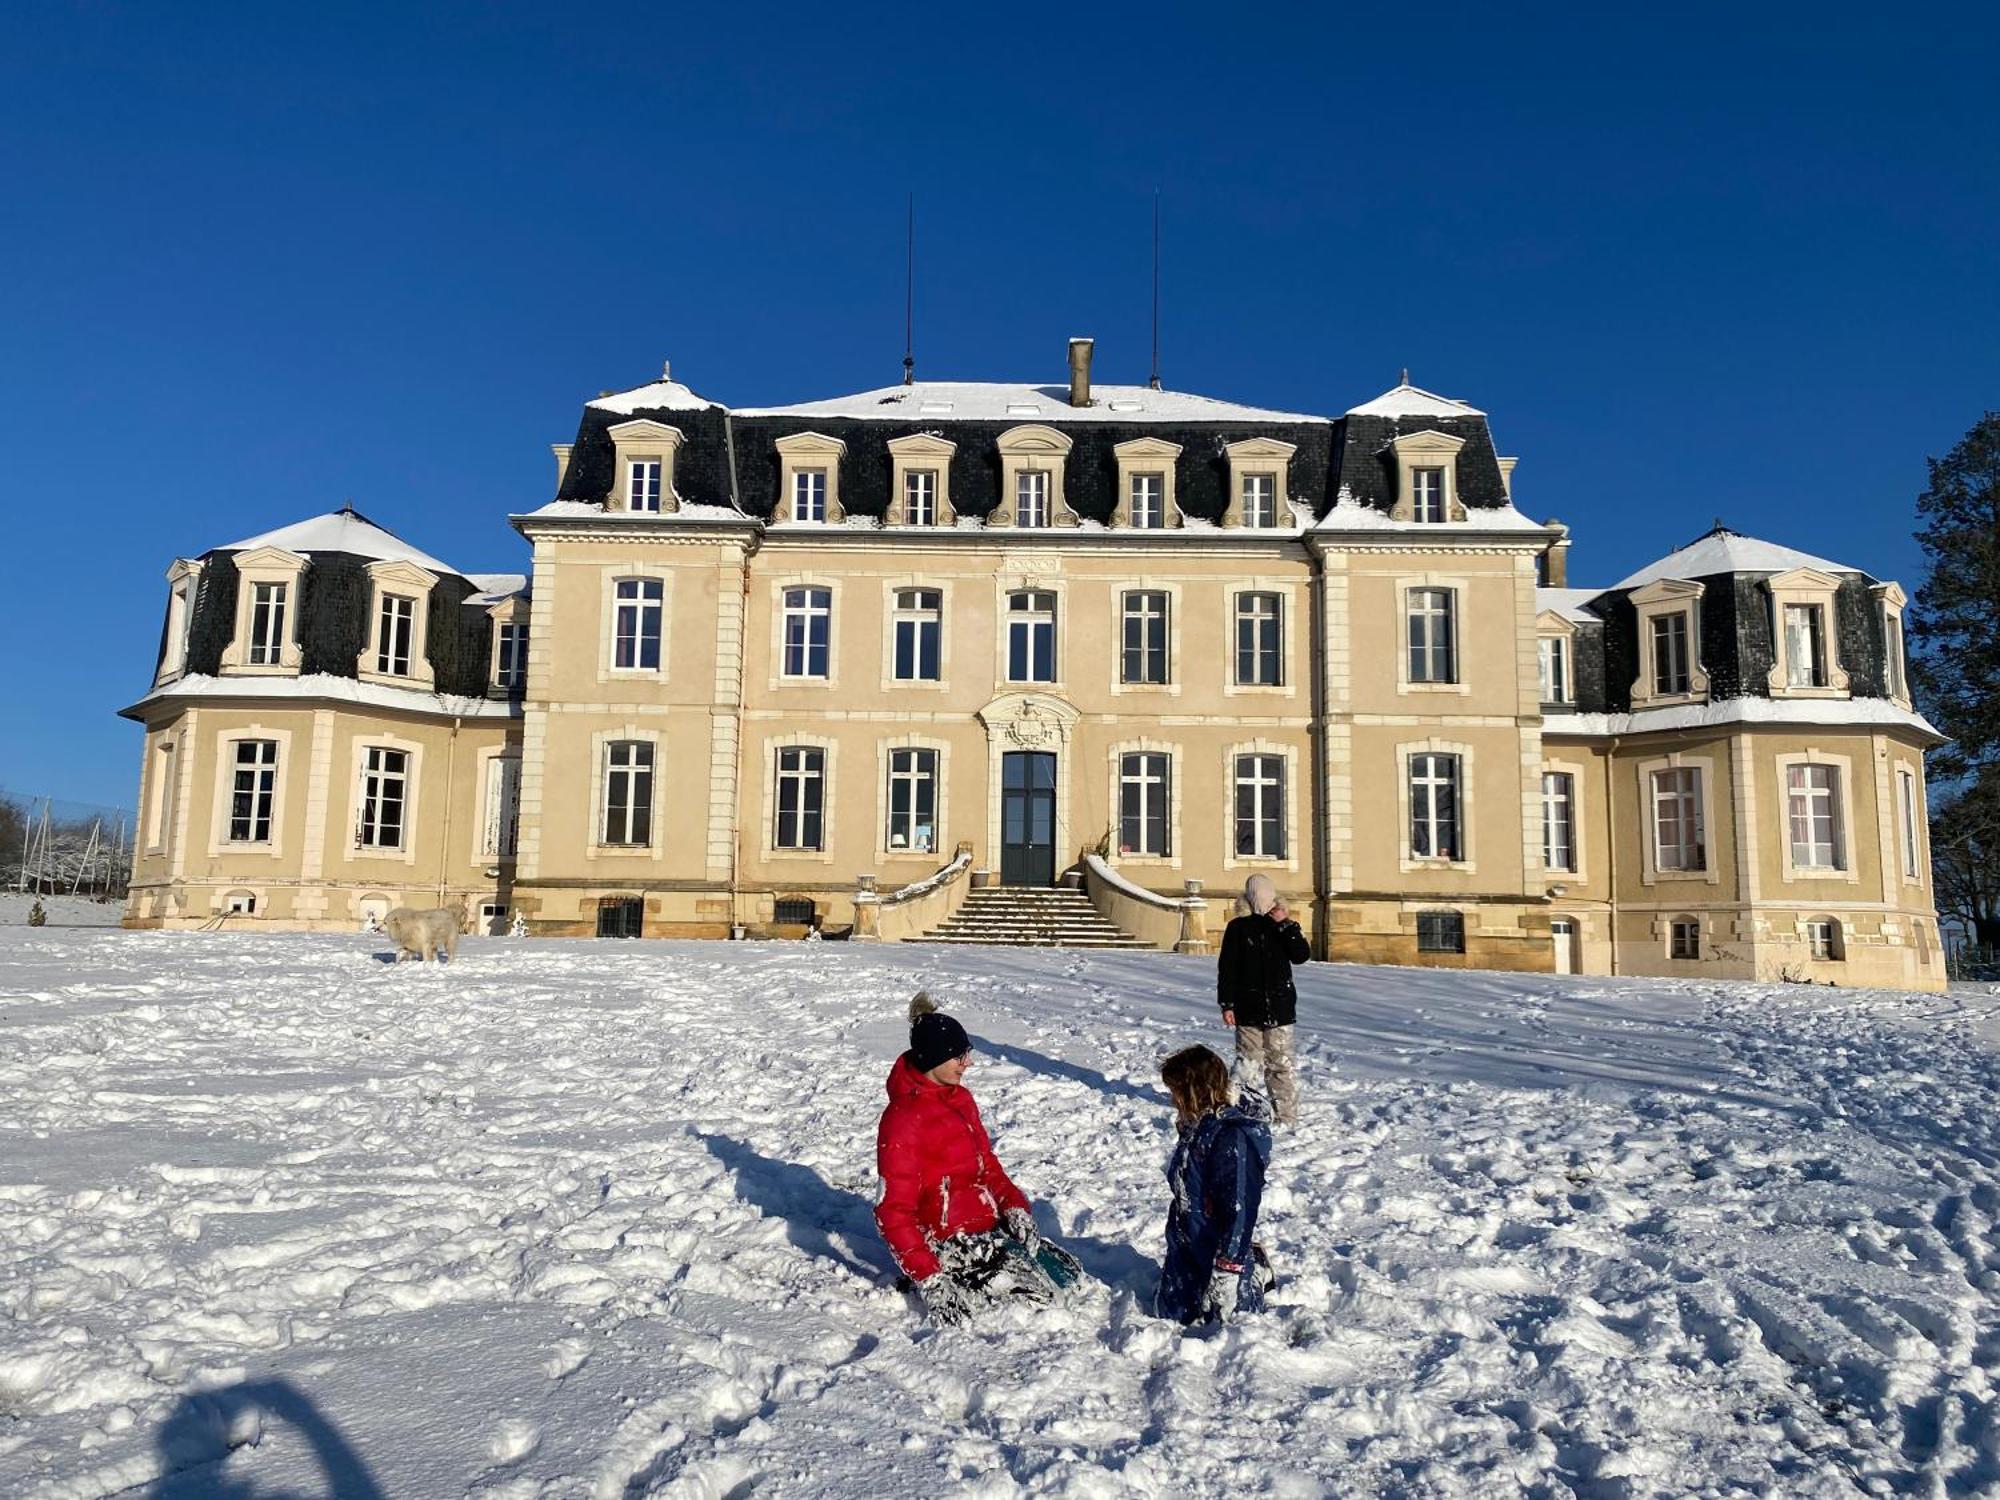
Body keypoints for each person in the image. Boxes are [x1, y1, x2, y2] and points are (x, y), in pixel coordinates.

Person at [875, 993, 1082, 1326]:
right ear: (932, 1059)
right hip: (946, 1243)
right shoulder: (903, 1119)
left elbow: (986, 1166)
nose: (967, 1062)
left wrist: (1014, 1206)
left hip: (987, 1229)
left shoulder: (960, 1099)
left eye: (966, 1053)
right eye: (958, 1056)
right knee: (1041, 1306)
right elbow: (893, 1211)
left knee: (1070, 1278)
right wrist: (930, 1279)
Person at [1154, 1044, 1272, 1325]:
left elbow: (1239, 1211)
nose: (1173, 1101)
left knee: (1228, 1321)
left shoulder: (1230, 1139)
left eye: (1177, 1094)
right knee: (1171, 1314)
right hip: (1188, 1241)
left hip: (1221, 1248)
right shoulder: (1195, 1126)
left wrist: (1228, 1270)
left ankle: (1253, 1270)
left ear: (1196, 1092)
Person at [1216, 873, 1310, 1125]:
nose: (1261, 900)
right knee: (1248, 1062)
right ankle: (1237, 1108)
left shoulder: (1282, 924)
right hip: (1247, 1008)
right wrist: (1227, 1003)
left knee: (1280, 1063)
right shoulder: (1238, 927)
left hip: (1280, 1007)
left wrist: (1286, 925)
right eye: (1256, 894)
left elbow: (1301, 955)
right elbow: (1227, 968)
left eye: (1265, 894)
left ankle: (1286, 1116)